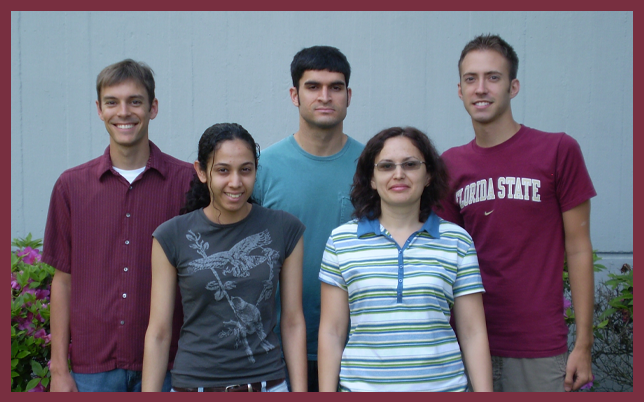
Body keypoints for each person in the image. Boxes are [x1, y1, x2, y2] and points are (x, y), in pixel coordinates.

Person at [436, 34, 597, 392]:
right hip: (467, 340)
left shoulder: (557, 150)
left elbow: (579, 248)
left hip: (537, 346)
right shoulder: (450, 164)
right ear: (459, 90)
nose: (481, 88)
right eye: (470, 79)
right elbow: (446, 258)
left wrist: (583, 345)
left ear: (514, 86)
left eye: (493, 77)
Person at [43, 59, 194, 392]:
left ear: (153, 108)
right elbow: (63, 281)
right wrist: (58, 370)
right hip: (92, 369)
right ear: (99, 110)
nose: (123, 112)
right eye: (112, 102)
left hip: (170, 365)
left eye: (135, 101)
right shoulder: (71, 186)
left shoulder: (187, 183)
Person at [318, 127, 492, 392]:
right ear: (372, 179)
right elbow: (332, 332)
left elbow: (473, 333)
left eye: (410, 164)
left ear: (429, 174)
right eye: (386, 166)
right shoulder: (341, 242)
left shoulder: (457, 241)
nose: (399, 174)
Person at [141, 123, 307, 392]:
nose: (235, 182)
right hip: (194, 387)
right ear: (201, 172)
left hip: (267, 385)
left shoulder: (284, 229)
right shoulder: (171, 235)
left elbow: (292, 321)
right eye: (222, 170)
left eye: (246, 170)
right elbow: (159, 332)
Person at [252, 45, 364, 391]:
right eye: (313, 86)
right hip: (276, 344)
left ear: (349, 95)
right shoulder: (262, 168)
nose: (325, 96)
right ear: (294, 95)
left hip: (356, 342)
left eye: (335, 87)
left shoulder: (373, 166)